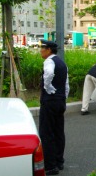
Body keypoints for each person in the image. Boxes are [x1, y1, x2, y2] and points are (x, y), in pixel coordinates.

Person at [39, 39, 69, 175]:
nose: (40, 50)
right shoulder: (62, 63)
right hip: (60, 101)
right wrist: (63, 97)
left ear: (49, 50)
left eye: (42, 48)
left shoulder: (49, 61)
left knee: (47, 132)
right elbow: (66, 84)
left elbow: (49, 74)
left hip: (50, 101)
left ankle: (50, 166)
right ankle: (59, 161)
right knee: (58, 132)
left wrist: (48, 87)